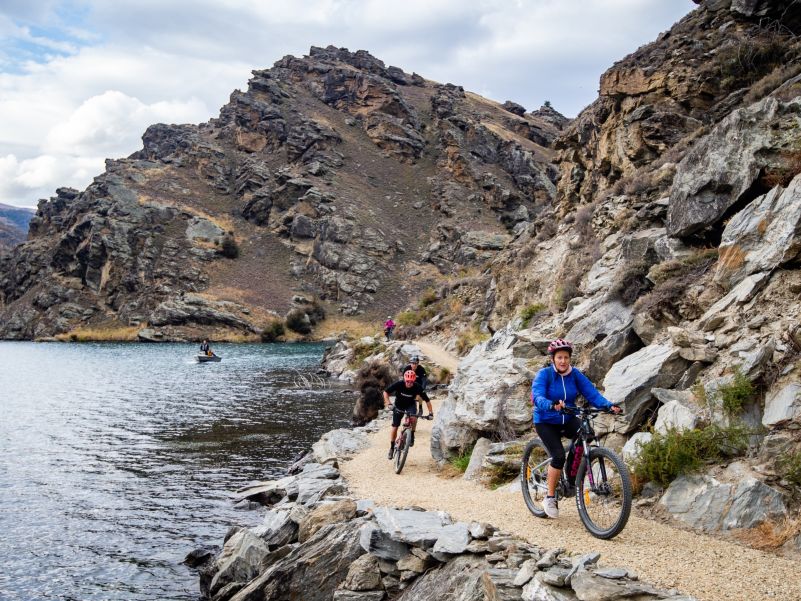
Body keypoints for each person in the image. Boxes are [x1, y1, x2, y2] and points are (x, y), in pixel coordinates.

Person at [530, 338, 621, 519]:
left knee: (587, 435)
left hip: (568, 417)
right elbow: (537, 397)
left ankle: (571, 479)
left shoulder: (575, 375)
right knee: (558, 456)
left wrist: (608, 406)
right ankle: (549, 497)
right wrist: (551, 404)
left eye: (566, 357)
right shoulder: (544, 375)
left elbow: (592, 393)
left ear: (570, 358)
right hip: (546, 420)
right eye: (559, 358)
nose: (563, 361)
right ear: (553, 359)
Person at [383, 369, 433, 458]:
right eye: (407, 381)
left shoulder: (418, 387)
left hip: (410, 405)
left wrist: (430, 413)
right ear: (404, 379)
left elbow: (427, 400)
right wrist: (389, 404)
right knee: (395, 427)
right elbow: (385, 392)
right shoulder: (399, 384)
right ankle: (391, 448)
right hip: (399, 405)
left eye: (411, 382)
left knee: (413, 418)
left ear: (414, 381)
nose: (409, 383)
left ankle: (412, 434)